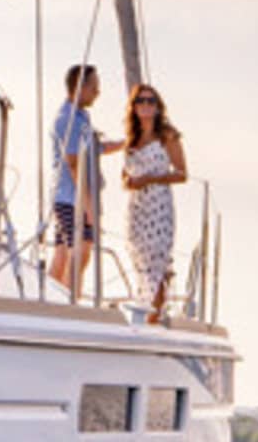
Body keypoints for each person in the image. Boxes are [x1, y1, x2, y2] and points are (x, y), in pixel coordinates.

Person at [49, 63, 121, 298]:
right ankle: (69, 304)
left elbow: (95, 148)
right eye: (94, 87)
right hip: (72, 198)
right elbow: (73, 163)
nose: (98, 92)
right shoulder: (67, 119)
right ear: (79, 87)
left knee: (63, 253)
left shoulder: (81, 117)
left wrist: (126, 143)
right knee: (81, 251)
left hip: (68, 198)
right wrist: (88, 206)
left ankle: (51, 301)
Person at [122, 82, 187, 323]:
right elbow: (125, 173)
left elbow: (182, 174)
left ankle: (153, 320)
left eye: (151, 101)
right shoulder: (132, 138)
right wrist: (130, 181)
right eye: (141, 101)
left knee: (156, 263)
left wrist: (152, 179)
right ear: (134, 107)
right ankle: (145, 312)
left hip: (158, 205)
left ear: (158, 107)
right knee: (140, 261)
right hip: (137, 206)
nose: (146, 105)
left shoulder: (167, 135)